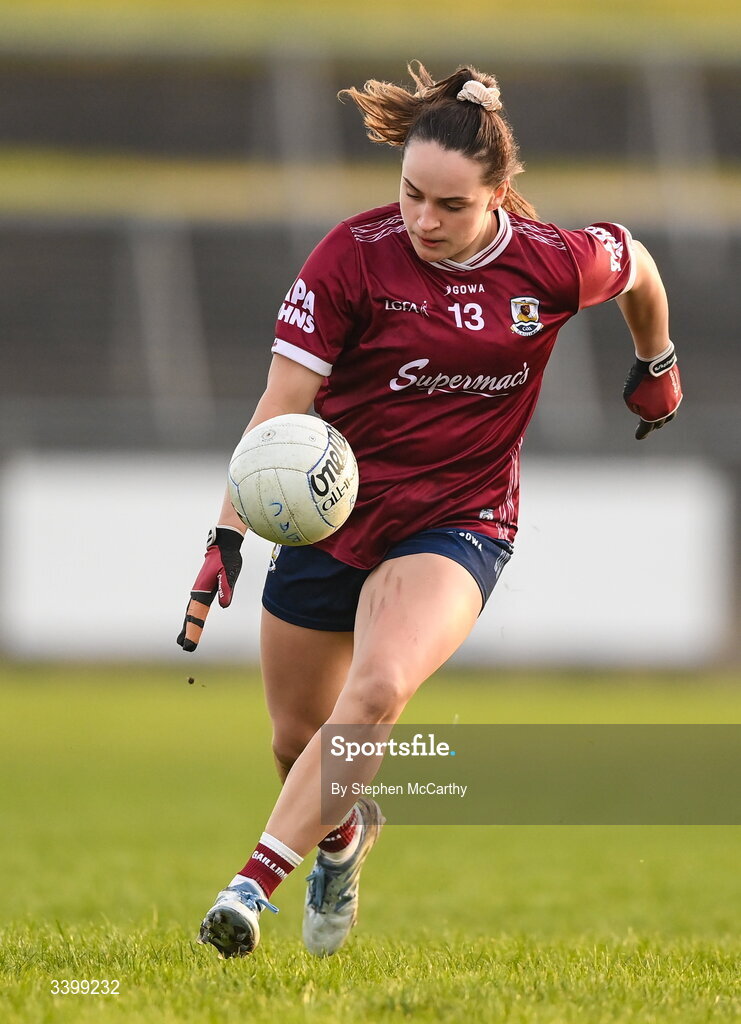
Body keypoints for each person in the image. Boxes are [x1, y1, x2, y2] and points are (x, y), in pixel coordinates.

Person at [177, 62, 682, 959]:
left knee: (378, 690)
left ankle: (249, 888)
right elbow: (281, 406)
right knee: (299, 742)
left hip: (460, 519)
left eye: (450, 205)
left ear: (498, 195)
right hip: (332, 517)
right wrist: (226, 529)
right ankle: (342, 836)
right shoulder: (351, 255)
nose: (423, 220)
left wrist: (656, 364)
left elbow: (637, 263)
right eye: (411, 195)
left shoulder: (552, 263)